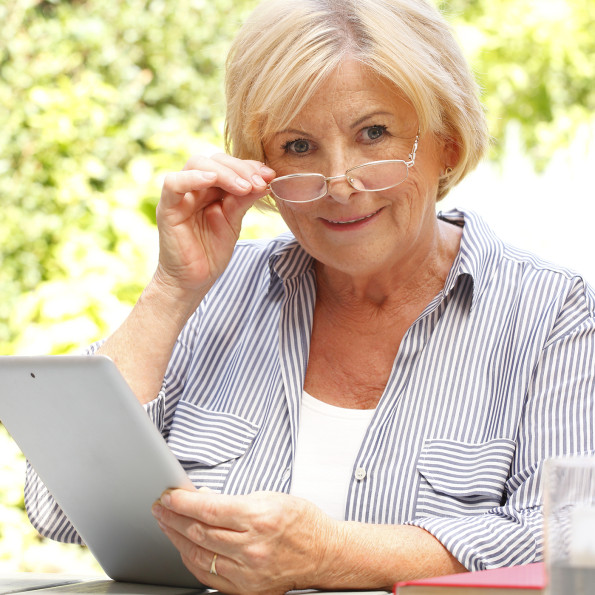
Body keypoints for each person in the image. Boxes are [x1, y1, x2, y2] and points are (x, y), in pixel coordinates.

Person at [25, 0, 595, 593]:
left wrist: (334, 554)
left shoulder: (551, 312)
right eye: (298, 146)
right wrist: (172, 289)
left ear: (447, 144)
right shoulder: (214, 292)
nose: (339, 183)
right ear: (259, 167)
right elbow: (55, 505)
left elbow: (572, 537)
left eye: (373, 134)